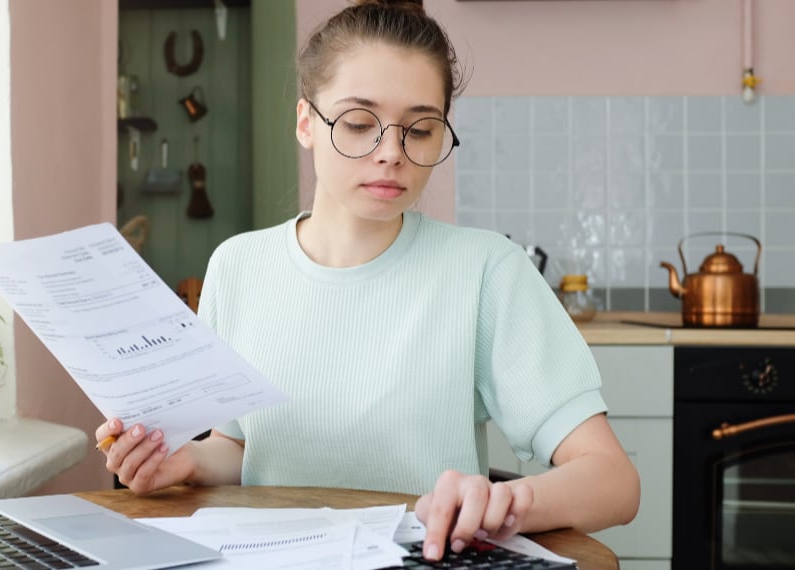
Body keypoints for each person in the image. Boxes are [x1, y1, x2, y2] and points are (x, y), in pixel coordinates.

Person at [97, 0, 640, 562]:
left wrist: (504, 500)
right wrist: (185, 463)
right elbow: (242, 447)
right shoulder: (238, 265)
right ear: (306, 122)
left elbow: (614, 482)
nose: (391, 154)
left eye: (421, 129)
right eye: (358, 124)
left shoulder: (486, 271)